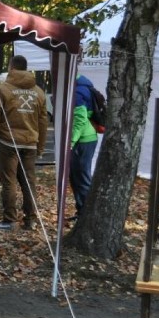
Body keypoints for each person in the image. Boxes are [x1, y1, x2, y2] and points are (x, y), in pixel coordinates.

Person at [0, 55, 48, 231]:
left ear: (11, 68)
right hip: (30, 143)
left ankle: (10, 220)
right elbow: (43, 122)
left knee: (9, 181)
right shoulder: (39, 92)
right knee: (29, 182)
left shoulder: (3, 90)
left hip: (8, 142)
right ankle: (30, 220)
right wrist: (40, 145)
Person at [69, 74, 99, 222]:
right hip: (84, 139)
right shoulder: (82, 87)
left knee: (81, 177)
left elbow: (80, 120)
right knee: (75, 177)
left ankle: (87, 216)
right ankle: (82, 212)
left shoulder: (78, 91)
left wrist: (71, 142)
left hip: (83, 140)